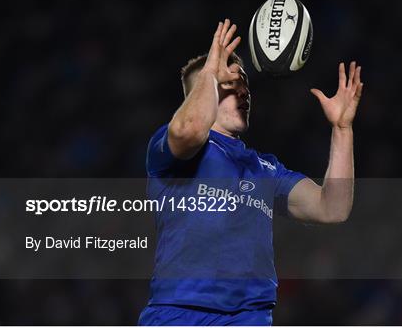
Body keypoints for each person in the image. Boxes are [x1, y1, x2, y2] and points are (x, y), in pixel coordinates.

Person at [138, 19, 364, 326]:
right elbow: (189, 129)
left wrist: (342, 129)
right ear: (205, 93)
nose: (243, 90)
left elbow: (332, 208)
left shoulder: (266, 168)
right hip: (179, 314)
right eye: (230, 84)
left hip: (250, 317)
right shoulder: (172, 150)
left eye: (244, 82)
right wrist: (208, 73)